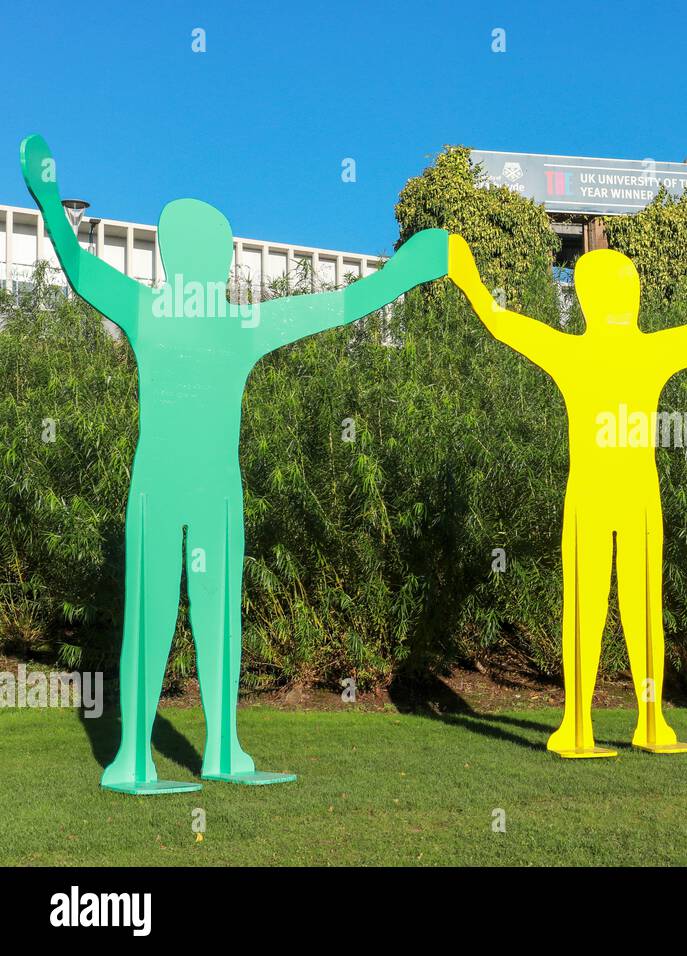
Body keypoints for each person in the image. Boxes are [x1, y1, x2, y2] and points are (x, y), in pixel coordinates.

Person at [21, 134, 449, 792]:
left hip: (170, 489)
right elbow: (339, 306)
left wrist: (49, 197)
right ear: (214, 258)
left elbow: (77, 266)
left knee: (163, 613)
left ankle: (186, 753)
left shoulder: (153, 309)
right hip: (205, 493)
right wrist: (402, 274)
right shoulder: (234, 324)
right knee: (205, 615)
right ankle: (161, 755)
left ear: (166, 253)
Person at [449, 236, 687, 756]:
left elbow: (499, 319)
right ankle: (611, 726)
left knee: (603, 606)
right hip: (627, 498)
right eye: (625, 286)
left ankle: (612, 726)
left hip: (602, 496)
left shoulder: (576, 351)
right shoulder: (644, 350)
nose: (628, 295)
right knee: (629, 608)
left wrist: (466, 275)